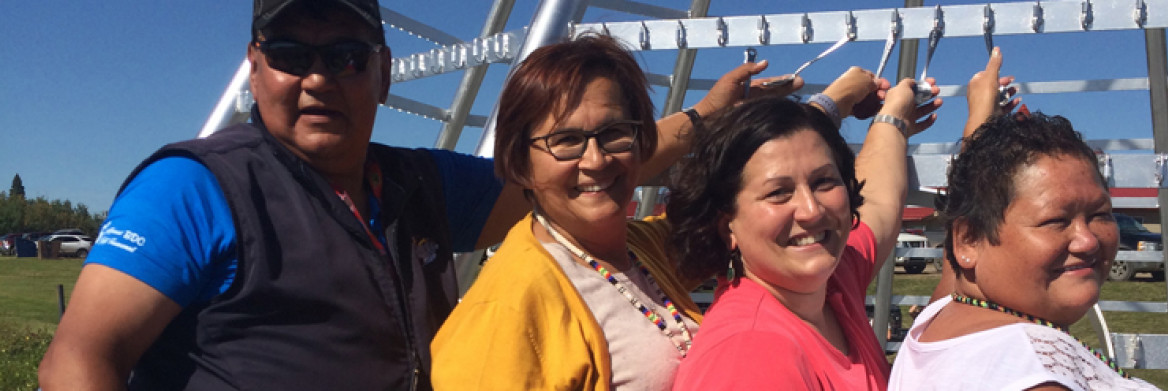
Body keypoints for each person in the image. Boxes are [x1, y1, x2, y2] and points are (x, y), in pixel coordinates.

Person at [36, 2, 751, 390]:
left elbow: (573, 170)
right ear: (255, 70)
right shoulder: (196, 187)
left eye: (346, 55)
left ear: (382, 72)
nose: (319, 77)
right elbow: (79, 357)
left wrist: (706, 119)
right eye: (291, 54)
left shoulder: (418, 185)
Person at [429, 34, 881, 390]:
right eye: (565, 141)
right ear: (519, 161)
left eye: (615, 134)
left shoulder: (640, 250)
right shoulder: (504, 313)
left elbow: (766, 211)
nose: (596, 160)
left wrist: (832, 105)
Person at [887, 63, 1159, 391]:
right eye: (1056, 221)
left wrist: (982, 117)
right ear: (969, 240)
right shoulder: (1032, 374)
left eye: (1100, 214)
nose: (1087, 240)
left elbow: (975, 204)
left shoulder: (945, 314)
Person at [668, 76, 941, 390]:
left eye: (824, 182)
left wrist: (893, 116)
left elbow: (879, 201)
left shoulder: (834, 285)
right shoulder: (750, 357)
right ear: (726, 226)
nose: (811, 210)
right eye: (778, 193)